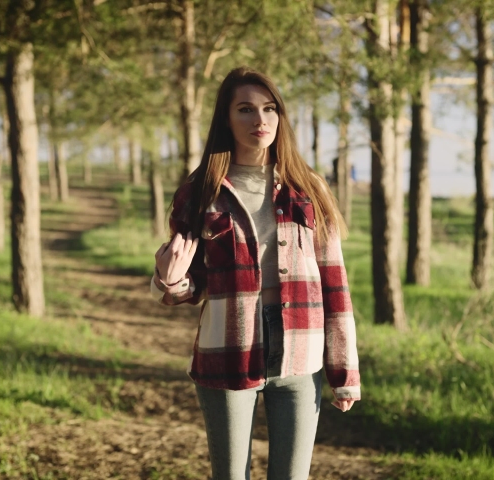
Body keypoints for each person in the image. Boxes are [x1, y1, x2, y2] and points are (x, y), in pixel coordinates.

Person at [150, 66, 360, 480]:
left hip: (301, 356)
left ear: (280, 117)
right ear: (226, 119)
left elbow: (334, 282)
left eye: (269, 108)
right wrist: (169, 279)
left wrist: (344, 370)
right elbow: (192, 285)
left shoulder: (309, 188)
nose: (259, 120)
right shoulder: (200, 192)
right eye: (245, 109)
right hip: (226, 353)